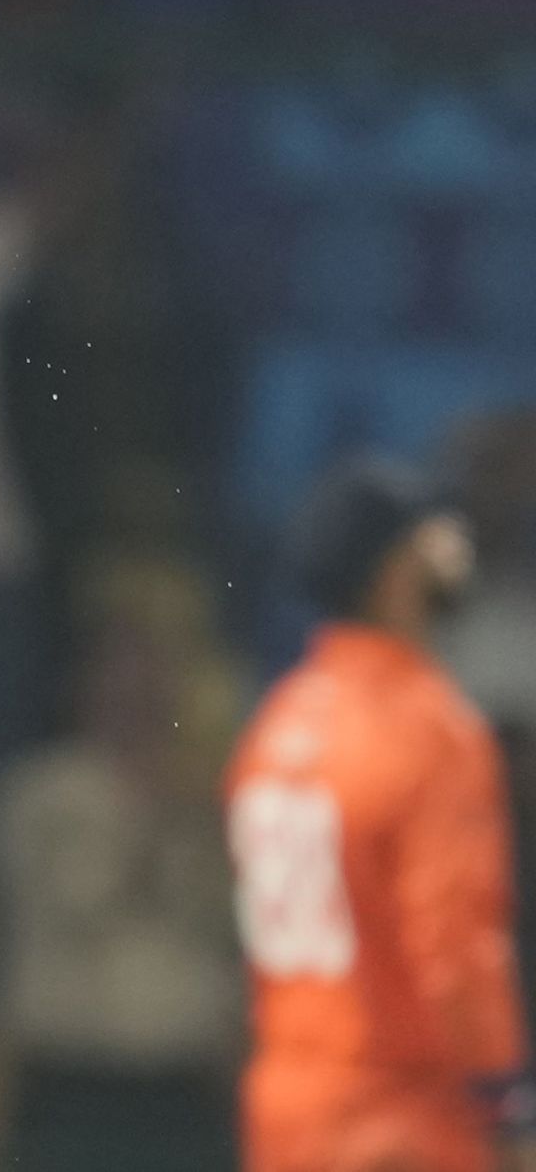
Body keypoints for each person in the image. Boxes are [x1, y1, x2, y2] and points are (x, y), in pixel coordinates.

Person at [225, 457, 536, 1172]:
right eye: (435, 532)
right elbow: (456, 951)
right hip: (401, 1118)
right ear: (393, 567)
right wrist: (506, 1105)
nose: (457, 546)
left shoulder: (276, 723)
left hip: (287, 1109)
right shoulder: (430, 727)